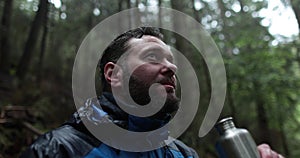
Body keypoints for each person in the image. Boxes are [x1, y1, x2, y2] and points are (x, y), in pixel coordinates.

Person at [21, 27, 283, 158]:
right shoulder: (59, 149)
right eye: (153, 57)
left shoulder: (183, 154)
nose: (171, 67)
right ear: (114, 74)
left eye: (171, 60)